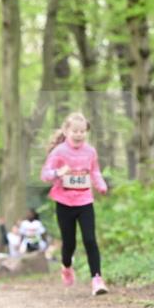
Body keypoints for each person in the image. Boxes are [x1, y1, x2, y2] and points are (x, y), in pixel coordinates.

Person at [41, 111, 108, 295]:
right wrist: (58, 173)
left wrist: (100, 185)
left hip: (85, 201)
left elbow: (94, 171)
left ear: (86, 132)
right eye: (75, 131)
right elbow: (45, 174)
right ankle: (66, 267)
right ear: (66, 131)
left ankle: (97, 279)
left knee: (90, 240)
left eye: (82, 131)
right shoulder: (59, 151)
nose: (79, 134)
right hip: (64, 202)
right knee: (69, 243)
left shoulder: (90, 151)